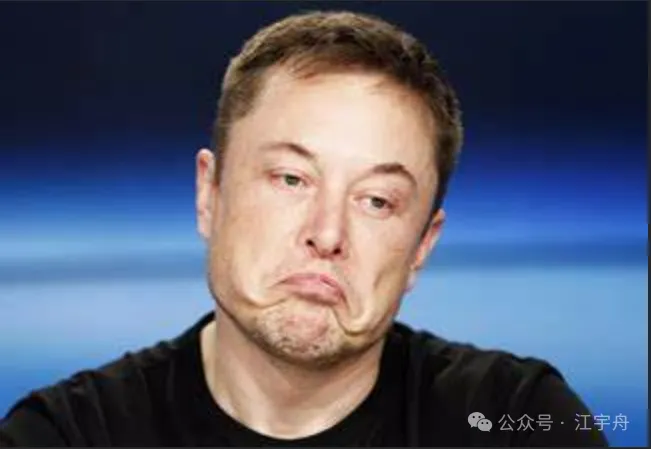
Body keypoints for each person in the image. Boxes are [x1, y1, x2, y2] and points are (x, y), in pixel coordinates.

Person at [0, 10, 607, 447]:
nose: (327, 233)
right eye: (292, 179)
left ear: (423, 246)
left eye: (376, 201)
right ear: (209, 194)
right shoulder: (64, 435)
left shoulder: (521, 419)